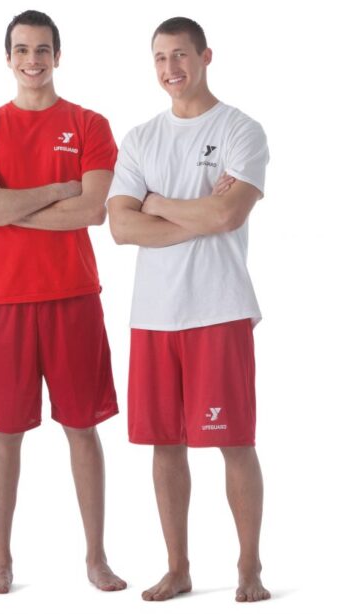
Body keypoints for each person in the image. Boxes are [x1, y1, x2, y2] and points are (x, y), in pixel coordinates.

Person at [0, 10, 125, 595]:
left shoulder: (90, 123)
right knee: (5, 431)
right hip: (4, 300)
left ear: (58, 56)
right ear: (8, 58)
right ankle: (0, 559)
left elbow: (94, 211)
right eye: (22, 50)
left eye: (43, 50)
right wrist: (58, 188)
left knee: (83, 429)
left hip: (74, 296)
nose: (33, 60)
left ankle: (96, 557)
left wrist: (11, 199)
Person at [107, 16, 270, 603]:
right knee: (164, 444)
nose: (170, 69)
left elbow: (228, 216)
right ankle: (178, 568)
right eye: (160, 59)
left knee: (234, 443)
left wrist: (156, 203)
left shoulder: (239, 130)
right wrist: (191, 212)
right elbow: (121, 228)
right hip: (154, 316)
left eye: (180, 55)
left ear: (205, 56)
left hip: (218, 310)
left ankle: (249, 567)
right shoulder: (140, 138)